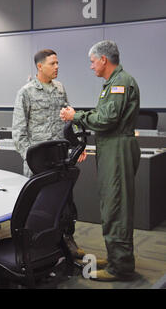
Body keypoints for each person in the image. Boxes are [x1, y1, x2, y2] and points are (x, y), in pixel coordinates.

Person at [60, 40, 140, 281]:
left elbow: (106, 119)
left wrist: (77, 116)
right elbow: (104, 116)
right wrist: (81, 118)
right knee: (111, 203)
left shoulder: (121, 83)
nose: (92, 66)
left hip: (117, 148)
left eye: (93, 61)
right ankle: (117, 257)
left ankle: (121, 267)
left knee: (117, 206)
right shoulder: (112, 83)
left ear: (104, 59)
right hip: (111, 148)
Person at [12, 49, 86, 260]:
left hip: (60, 157)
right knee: (38, 207)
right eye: (53, 63)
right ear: (40, 66)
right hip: (38, 161)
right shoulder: (26, 92)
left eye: (57, 63)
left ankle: (67, 239)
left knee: (64, 202)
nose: (57, 67)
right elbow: (18, 131)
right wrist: (30, 158)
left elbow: (67, 120)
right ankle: (36, 248)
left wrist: (75, 147)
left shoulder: (60, 89)